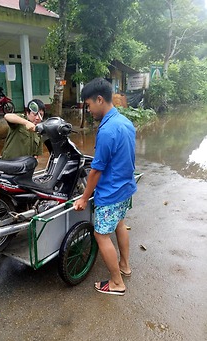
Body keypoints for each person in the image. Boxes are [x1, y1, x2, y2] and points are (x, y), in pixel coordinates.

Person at [74, 78, 137, 296]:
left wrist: (83, 198)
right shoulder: (125, 122)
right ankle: (125, 266)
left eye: (89, 104)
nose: (89, 110)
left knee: (101, 235)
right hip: (125, 187)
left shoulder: (108, 130)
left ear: (99, 99)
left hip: (110, 192)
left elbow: (96, 171)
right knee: (120, 224)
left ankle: (117, 282)